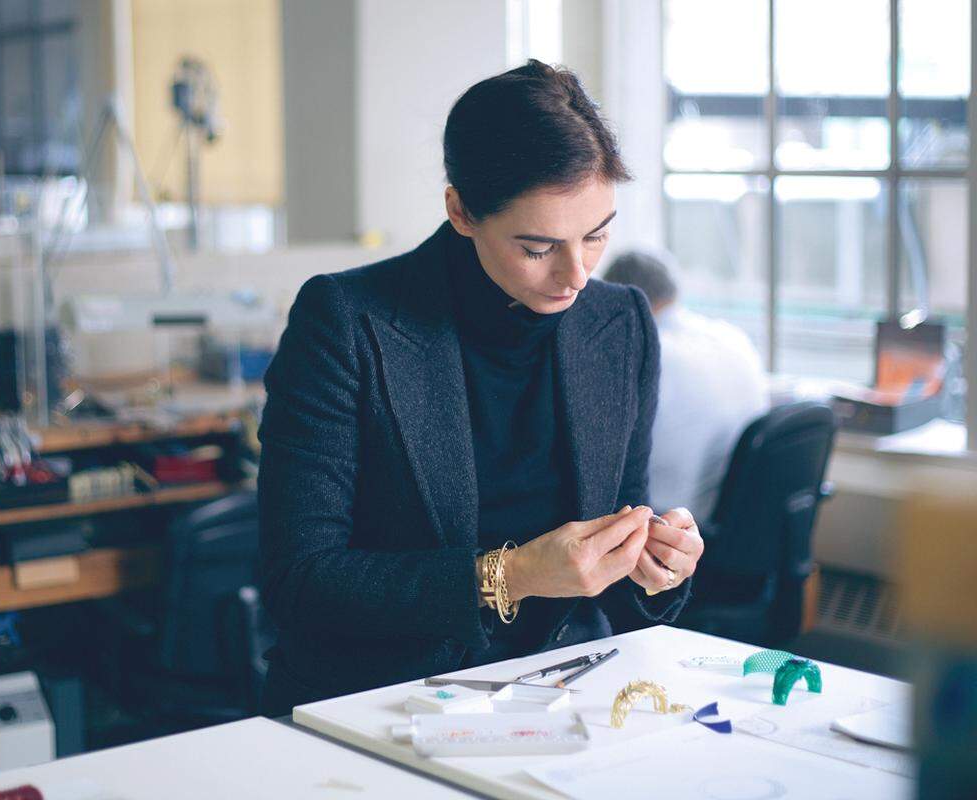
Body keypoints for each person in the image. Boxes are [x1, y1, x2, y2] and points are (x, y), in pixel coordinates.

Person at [257, 61, 705, 715]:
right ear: (461, 211)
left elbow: (616, 548)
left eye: (597, 235)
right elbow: (299, 579)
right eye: (537, 246)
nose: (575, 274)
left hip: (568, 693)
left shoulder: (621, 322)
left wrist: (655, 565)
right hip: (379, 701)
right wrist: (511, 575)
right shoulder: (347, 321)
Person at [602, 250, 768, 525]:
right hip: (745, 516)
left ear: (620, 299)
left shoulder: (644, 354)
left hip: (678, 524)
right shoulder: (731, 336)